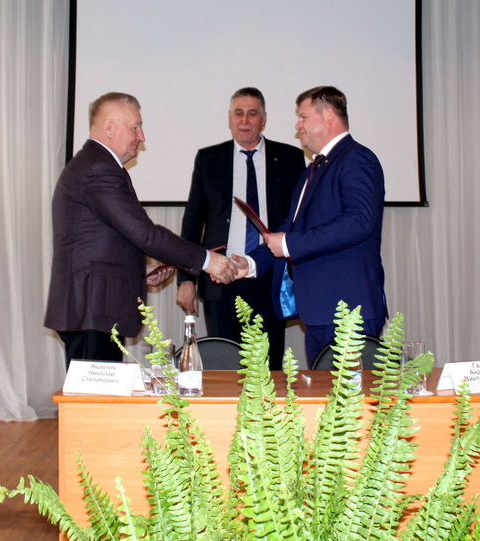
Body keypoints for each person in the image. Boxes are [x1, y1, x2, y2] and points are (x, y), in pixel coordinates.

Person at [44, 92, 240, 367]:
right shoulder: (98, 168)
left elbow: (103, 240)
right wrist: (208, 261)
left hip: (94, 308)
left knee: (101, 393)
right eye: (135, 127)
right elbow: (146, 234)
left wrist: (138, 269)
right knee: (94, 394)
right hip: (91, 309)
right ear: (109, 127)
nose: (142, 136)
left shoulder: (96, 164)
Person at [241, 86, 388, 363]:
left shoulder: (357, 159)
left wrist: (288, 244)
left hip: (349, 310)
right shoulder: (314, 169)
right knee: (325, 391)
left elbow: (358, 221)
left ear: (329, 115)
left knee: (351, 392)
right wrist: (250, 263)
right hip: (320, 311)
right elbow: (290, 228)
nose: (298, 126)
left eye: (303, 117)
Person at [177, 87, 306, 369]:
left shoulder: (290, 158)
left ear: (264, 119)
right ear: (229, 118)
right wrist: (186, 279)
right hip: (220, 280)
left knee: (267, 368)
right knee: (224, 368)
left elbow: (297, 221)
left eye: (252, 113)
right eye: (238, 113)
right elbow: (192, 222)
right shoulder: (209, 159)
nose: (244, 120)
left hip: (269, 278)